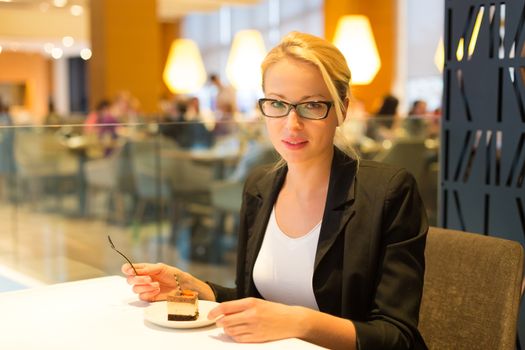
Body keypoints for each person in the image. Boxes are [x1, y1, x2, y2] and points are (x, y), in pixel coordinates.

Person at [122, 31, 428, 349]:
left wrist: (298, 321)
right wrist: (195, 288)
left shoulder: (388, 193)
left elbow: (398, 338)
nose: (291, 124)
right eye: (278, 103)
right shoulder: (260, 187)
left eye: (311, 106)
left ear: (341, 109)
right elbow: (254, 301)